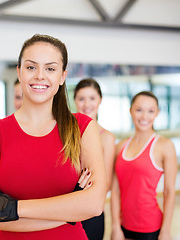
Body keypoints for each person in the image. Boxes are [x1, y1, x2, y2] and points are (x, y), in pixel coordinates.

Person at [0, 34, 107, 240]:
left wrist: (14, 208)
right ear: (19, 72)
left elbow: (95, 205)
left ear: (62, 77)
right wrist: (70, 211)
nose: (40, 76)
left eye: (50, 69)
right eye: (31, 67)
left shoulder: (82, 128)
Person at [111, 91, 177, 240]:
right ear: (130, 111)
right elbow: (115, 190)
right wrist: (115, 226)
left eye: (151, 111)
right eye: (139, 110)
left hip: (150, 226)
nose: (144, 116)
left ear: (157, 113)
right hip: (123, 225)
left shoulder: (165, 146)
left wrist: (165, 231)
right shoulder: (120, 146)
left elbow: (169, 192)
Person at [74, 78, 116, 240]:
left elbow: (106, 184)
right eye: (81, 99)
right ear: (75, 100)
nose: (87, 104)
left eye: (92, 98)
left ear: (100, 100)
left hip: (92, 212)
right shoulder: (65, 134)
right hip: (64, 210)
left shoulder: (106, 138)